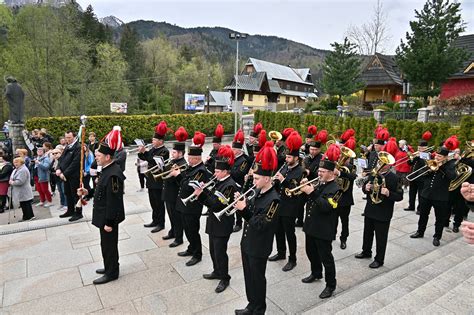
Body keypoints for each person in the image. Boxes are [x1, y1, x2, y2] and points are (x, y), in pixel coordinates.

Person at [234, 141, 280, 315]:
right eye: (253, 177)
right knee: (249, 277)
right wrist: (242, 203)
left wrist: (244, 210)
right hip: (247, 242)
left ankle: (259, 309)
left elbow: (261, 225)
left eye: (257, 178)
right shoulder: (258, 191)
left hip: (259, 246)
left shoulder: (274, 200)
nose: (254, 180)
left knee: (258, 279)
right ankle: (251, 305)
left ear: (267, 179)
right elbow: (250, 213)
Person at [78, 126, 125, 285]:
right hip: (103, 214)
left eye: (98, 156)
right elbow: (101, 192)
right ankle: (108, 266)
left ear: (107, 156)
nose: (96, 158)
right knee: (105, 244)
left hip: (108, 217)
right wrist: (87, 192)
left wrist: (110, 223)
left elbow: (114, 201)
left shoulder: (113, 174)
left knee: (110, 245)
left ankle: (112, 272)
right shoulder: (106, 169)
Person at [194, 145, 238, 293]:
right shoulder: (219, 182)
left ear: (225, 171)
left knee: (220, 252)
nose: (214, 173)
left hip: (222, 223)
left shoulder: (230, 186)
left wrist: (201, 195)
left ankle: (225, 277)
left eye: (217, 171)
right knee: (213, 250)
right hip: (213, 221)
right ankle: (216, 271)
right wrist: (203, 191)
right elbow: (211, 200)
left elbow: (217, 205)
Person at [299, 144, 341, 299]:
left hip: (324, 229)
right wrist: (304, 189)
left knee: (326, 258)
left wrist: (312, 192)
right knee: (311, 252)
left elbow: (326, 207)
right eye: (319, 171)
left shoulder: (336, 189)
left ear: (331, 173)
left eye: (323, 172)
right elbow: (308, 200)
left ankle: (331, 285)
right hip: (311, 225)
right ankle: (316, 273)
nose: (319, 173)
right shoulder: (319, 183)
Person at [170, 131, 211, 266]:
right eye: (188, 156)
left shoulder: (201, 171)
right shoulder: (191, 167)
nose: (188, 159)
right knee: (187, 229)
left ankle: (197, 253)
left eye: (191, 157)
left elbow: (189, 186)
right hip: (183, 204)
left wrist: (178, 175)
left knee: (193, 230)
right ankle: (190, 248)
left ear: (197, 158)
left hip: (193, 206)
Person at [356, 151, 403, 268]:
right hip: (370, 208)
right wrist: (365, 188)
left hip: (383, 212)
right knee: (367, 233)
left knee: (381, 237)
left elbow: (399, 196)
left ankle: (379, 259)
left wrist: (388, 193)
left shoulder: (394, 178)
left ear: (389, 165)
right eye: (379, 161)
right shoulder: (373, 174)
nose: (380, 164)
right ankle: (366, 252)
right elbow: (364, 187)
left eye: (383, 162)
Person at [410, 137, 457, 246]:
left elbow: (453, 176)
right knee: (423, 215)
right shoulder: (431, 162)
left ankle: (437, 236)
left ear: (445, 157)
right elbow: (422, 173)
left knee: (439, 218)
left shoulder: (450, 165)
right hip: (426, 194)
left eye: (439, 156)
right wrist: (429, 168)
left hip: (440, 197)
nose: (437, 157)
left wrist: (442, 167)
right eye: (436, 155)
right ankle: (420, 231)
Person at [269, 131, 304, 272]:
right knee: (278, 230)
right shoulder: (284, 167)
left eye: (289, 157)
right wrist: (274, 181)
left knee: (290, 233)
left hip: (291, 206)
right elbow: (279, 184)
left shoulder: (300, 171)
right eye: (287, 156)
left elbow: (295, 189)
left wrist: (283, 181)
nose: (287, 159)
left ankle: (293, 258)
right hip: (279, 202)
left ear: (296, 158)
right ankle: (281, 252)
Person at [139, 121, 170, 233]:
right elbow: (145, 157)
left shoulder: (164, 151)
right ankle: (154, 220)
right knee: (152, 202)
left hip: (159, 181)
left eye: (154, 140)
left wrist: (146, 154)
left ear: (160, 141)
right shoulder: (153, 149)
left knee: (159, 203)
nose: (152, 141)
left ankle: (161, 223)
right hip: (151, 179)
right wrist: (141, 152)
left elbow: (153, 160)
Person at [161, 127, 188, 247]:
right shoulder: (172, 161)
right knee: (171, 216)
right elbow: (165, 173)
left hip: (175, 195)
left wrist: (176, 174)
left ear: (181, 153)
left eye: (174, 152)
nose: (172, 154)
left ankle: (179, 237)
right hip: (168, 193)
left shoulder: (183, 164)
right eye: (172, 152)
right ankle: (172, 232)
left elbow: (181, 181)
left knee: (176, 218)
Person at [334, 134, 357, 250]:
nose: (342, 158)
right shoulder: (336, 165)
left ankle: (344, 239)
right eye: (341, 156)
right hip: (334, 197)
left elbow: (353, 176)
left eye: (345, 157)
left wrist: (340, 173)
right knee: (333, 219)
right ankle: (332, 234)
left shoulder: (352, 167)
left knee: (344, 221)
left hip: (345, 198)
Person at [57, 130, 82, 221]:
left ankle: (78, 213)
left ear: (74, 137)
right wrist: (58, 168)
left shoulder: (78, 147)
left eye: (69, 138)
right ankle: (70, 210)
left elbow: (75, 163)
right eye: (66, 137)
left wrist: (65, 173)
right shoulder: (67, 146)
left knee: (75, 194)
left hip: (74, 176)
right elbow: (61, 159)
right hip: (65, 176)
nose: (67, 139)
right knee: (67, 193)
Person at [405, 131, 432, 213]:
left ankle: (420, 209)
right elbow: (409, 164)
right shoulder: (416, 154)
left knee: (420, 194)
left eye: (421, 148)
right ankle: (411, 206)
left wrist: (420, 156)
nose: (419, 149)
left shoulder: (428, 155)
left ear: (426, 148)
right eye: (419, 148)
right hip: (413, 176)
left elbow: (426, 165)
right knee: (411, 192)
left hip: (421, 177)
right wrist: (411, 158)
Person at [230, 129, 251, 232]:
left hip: (239, 185)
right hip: (231, 183)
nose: (232, 150)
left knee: (238, 204)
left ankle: (239, 223)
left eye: (234, 149)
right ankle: (232, 221)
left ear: (239, 150)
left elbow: (240, 173)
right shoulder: (232, 158)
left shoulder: (243, 160)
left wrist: (228, 171)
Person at [9, 157, 35, 221]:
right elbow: (12, 176)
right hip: (20, 190)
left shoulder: (23, 170)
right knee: (24, 203)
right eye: (14, 162)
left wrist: (12, 182)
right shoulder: (16, 169)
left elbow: (20, 181)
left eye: (17, 162)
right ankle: (27, 216)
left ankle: (29, 216)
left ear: (21, 162)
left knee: (26, 203)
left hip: (24, 189)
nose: (15, 163)